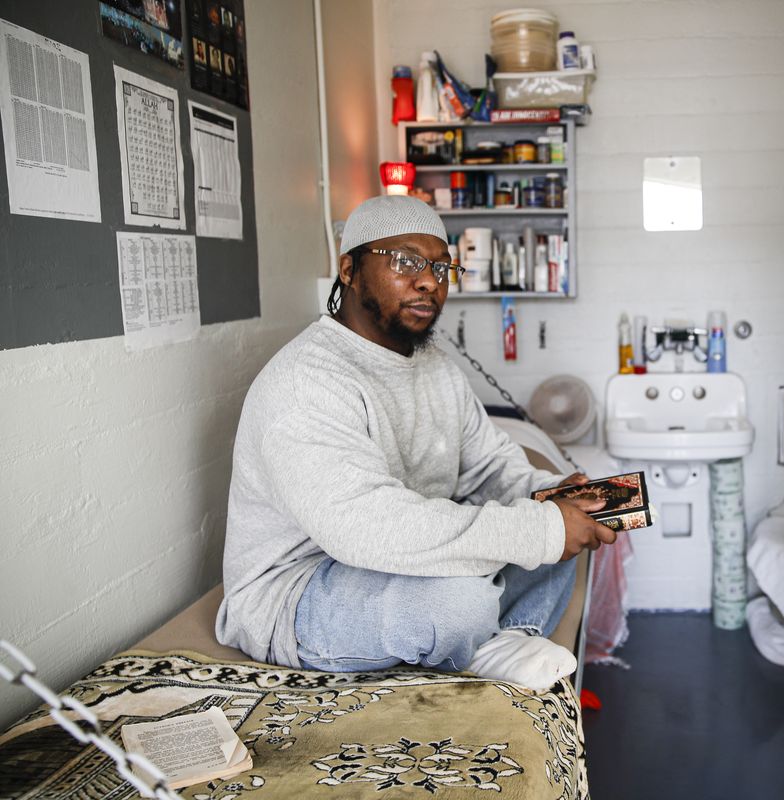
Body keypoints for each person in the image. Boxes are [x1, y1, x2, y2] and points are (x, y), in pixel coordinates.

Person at [216, 195, 617, 691]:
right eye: (406, 261)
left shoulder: (436, 369)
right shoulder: (307, 381)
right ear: (349, 269)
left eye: (441, 267)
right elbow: (364, 528)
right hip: (304, 586)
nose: (430, 281)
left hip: (408, 556)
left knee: (555, 535)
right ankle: (481, 632)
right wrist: (539, 529)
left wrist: (553, 494)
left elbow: (490, 466)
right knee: (461, 599)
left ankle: (506, 640)